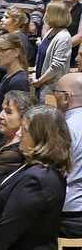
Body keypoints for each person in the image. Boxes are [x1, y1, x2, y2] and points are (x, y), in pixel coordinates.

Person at [0, 104, 71, 250]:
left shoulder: (37, 178)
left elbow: (9, 228)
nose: (19, 134)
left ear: (41, 137)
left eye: (24, 130)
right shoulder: (36, 167)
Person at [54, 73, 82, 238]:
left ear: (66, 97)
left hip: (69, 214)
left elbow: (53, 170)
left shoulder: (64, 129)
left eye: (55, 91)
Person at [32, 1, 72, 102]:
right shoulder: (50, 31)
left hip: (51, 88)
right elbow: (39, 56)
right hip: (38, 84)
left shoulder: (64, 37)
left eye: (47, 12)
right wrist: (34, 74)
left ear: (55, 15)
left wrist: (39, 81)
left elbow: (56, 66)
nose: (45, 15)